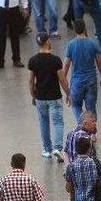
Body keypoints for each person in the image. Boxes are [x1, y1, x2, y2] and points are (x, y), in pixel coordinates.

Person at [28, 31, 70, 161]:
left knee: (43, 122)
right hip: (54, 96)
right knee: (58, 122)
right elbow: (62, 79)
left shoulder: (33, 60)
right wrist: (68, 93)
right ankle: (57, 148)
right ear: (47, 42)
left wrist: (33, 95)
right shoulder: (55, 60)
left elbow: (30, 80)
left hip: (40, 97)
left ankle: (47, 149)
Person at [62, 110, 98, 201]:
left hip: (72, 173)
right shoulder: (85, 138)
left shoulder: (71, 133)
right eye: (93, 120)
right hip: (85, 174)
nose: (95, 123)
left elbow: (64, 151)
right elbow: (92, 158)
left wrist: (68, 168)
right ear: (85, 122)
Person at [63, 19, 101, 120]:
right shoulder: (93, 43)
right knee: (91, 108)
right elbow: (100, 62)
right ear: (85, 28)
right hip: (91, 80)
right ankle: (92, 133)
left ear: (74, 30)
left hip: (77, 81)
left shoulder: (71, 45)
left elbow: (66, 64)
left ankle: (82, 128)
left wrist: (63, 79)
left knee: (76, 106)